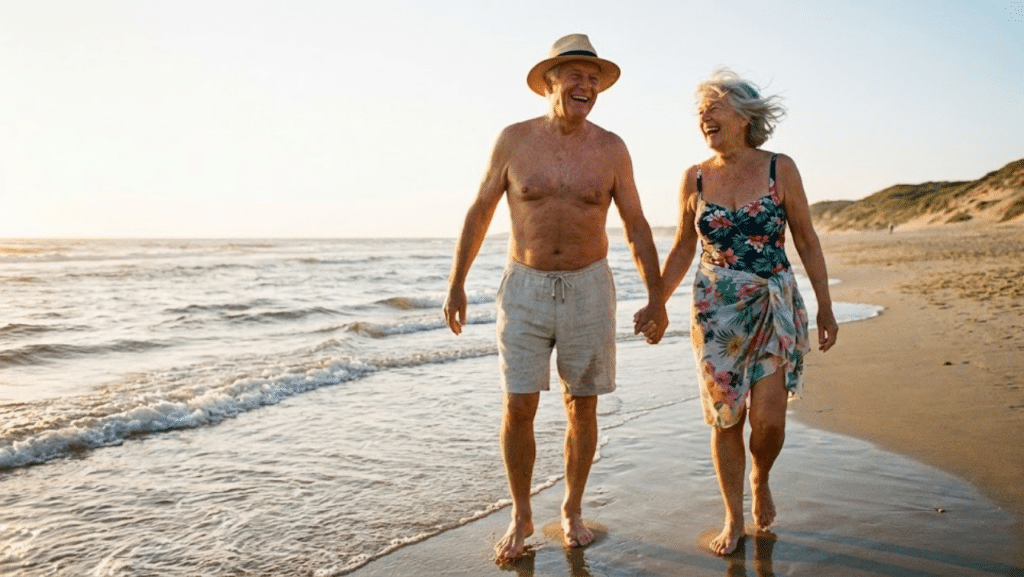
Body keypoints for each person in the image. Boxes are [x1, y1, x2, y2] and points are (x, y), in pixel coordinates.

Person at [443, 34, 668, 562]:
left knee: (580, 406)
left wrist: (656, 296)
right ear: (549, 82)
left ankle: (570, 508)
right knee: (518, 404)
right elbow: (480, 210)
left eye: (592, 77)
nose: (584, 84)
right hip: (524, 285)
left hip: (589, 285)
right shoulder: (514, 140)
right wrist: (456, 282)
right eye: (573, 74)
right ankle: (521, 514)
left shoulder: (611, 148)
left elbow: (635, 225)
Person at [636, 68, 838, 555]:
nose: (704, 114)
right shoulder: (695, 177)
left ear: (745, 117)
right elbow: (684, 247)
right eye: (700, 109)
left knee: (769, 421)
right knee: (727, 418)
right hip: (715, 312)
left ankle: (761, 477)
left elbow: (807, 240)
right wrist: (655, 301)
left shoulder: (779, 168)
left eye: (715, 105)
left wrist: (826, 306)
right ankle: (732, 517)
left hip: (772, 303)